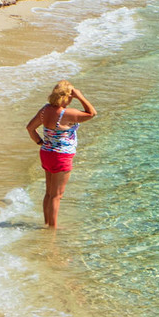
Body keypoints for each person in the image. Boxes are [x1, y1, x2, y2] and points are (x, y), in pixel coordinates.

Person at [26, 80, 98, 229]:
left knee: (49, 193)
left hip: (46, 153)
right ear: (66, 96)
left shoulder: (45, 110)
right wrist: (81, 97)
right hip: (61, 156)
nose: (72, 99)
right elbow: (92, 113)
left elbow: (30, 128)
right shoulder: (67, 114)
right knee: (57, 195)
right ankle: (52, 229)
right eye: (71, 96)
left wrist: (40, 142)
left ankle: (47, 223)